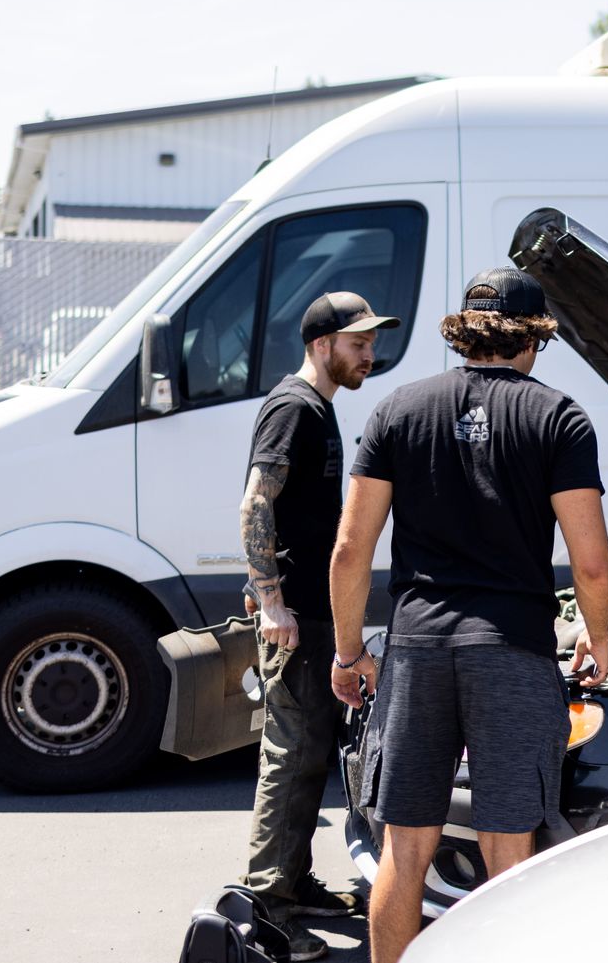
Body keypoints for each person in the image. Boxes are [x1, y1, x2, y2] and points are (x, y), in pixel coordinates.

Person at [329, 267, 608, 963]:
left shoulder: (397, 409)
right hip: (511, 650)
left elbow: (348, 550)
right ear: (535, 338)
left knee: (405, 844)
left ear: (466, 330)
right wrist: (600, 637)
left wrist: (348, 653)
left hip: (418, 645)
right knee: (508, 852)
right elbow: (592, 564)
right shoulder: (558, 417)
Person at [238, 290, 398, 961]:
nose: (370, 354)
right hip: (294, 619)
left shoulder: (319, 409)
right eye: (358, 343)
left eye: (370, 342)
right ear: (321, 343)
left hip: (314, 615)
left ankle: (295, 880)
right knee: (291, 758)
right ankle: (268, 912)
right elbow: (255, 503)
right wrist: (271, 599)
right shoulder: (293, 407)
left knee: (309, 758)